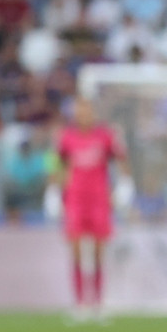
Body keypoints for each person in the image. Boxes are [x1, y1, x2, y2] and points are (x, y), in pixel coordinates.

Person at [53, 98, 130, 320]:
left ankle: (97, 303)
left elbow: (121, 158)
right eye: (79, 111)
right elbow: (55, 162)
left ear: (92, 112)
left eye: (86, 110)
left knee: (98, 252)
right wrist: (52, 190)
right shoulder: (66, 136)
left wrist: (125, 185)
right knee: (76, 251)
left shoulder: (105, 135)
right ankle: (79, 303)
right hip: (75, 200)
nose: (82, 114)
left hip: (99, 200)